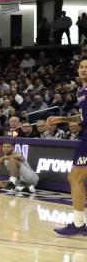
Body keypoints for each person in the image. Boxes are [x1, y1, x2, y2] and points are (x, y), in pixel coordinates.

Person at [47, 57, 87, 237]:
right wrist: (62, 119)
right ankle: (80, 222)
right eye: (81, 67)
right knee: (75, 178)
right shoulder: (81, 91)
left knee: (75, 178)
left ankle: (79, 223)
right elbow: (81, 118)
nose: (84, 69)